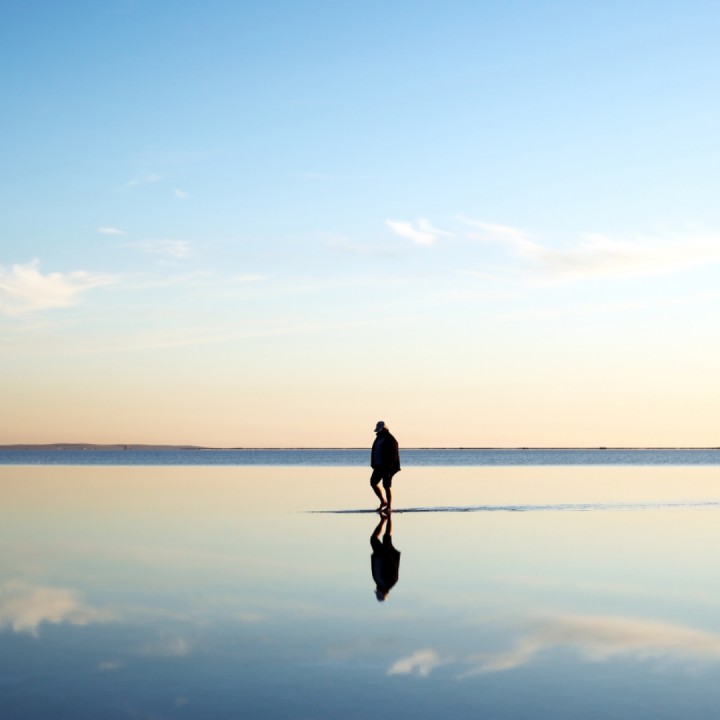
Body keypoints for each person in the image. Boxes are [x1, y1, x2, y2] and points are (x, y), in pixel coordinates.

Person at [370, 420, 400, 512]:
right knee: (373, 483)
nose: (379, 432)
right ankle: (383, 501)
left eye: (380, 430)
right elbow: (374, 451)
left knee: (386, 486)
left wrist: (390, 467)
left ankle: (389, 506)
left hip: (388, 467)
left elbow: (394, 455)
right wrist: (373, 463)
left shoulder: (391, 439)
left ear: (385, 429)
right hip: (378, 466)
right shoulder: (378, 438)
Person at [370, 512, 401, 602]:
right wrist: (388, 553)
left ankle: (383, 520)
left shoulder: (379, 583)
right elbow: (393, 566)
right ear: (383, 591)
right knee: (386, 536)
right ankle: (389, 517)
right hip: (386, 554)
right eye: (378, 591)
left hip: (379, 554)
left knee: (374, 539)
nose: (377, 589)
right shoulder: (391, 581)